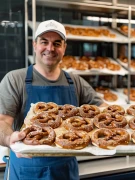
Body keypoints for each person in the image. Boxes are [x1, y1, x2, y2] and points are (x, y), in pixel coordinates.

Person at [0, 19, 107, 180]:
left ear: (64, 48)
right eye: (44, 42)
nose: (50, 48)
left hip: (64, 170)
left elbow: (104, 111)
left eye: (57, 43)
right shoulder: (15, 79)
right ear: (34, 45)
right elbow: (2, 121)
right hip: (26, 169)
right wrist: (9, 139)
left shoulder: (75, 81)